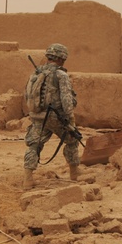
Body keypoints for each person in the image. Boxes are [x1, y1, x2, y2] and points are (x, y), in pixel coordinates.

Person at [23, 43, 80, 189]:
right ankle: (75, 174)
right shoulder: (61, 75)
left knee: (34, 145)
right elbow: (67, 101)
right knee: (72, 140)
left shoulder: (35, 74)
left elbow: (27, 95)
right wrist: (70, 120)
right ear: (62, 59)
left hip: (37, 117)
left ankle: (28, 179)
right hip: (56, 117)